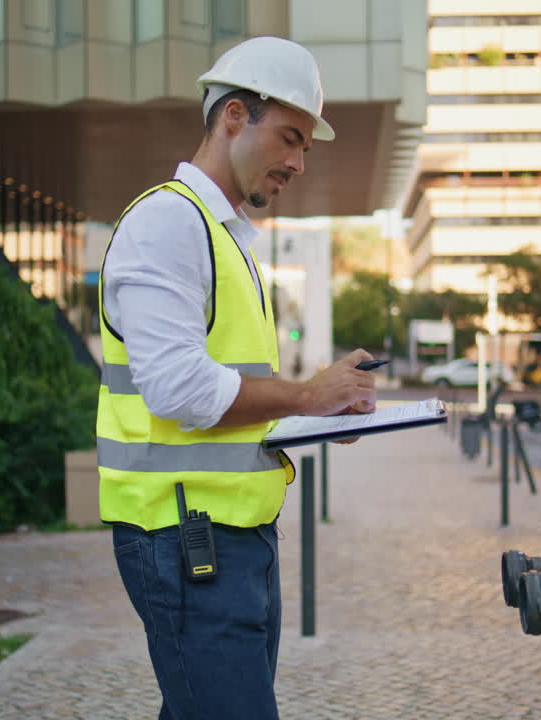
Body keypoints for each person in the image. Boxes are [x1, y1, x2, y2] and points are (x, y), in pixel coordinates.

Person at [95, 36, 377, 720]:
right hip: (185, 536)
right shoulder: (169, 222)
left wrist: (317, 418)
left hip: (231, 538)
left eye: (305, 146)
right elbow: (178, 389)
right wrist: (307, 392)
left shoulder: (224, 237)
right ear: (231, 117)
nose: (298, 162)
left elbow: (235, 395)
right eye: (289, 137)